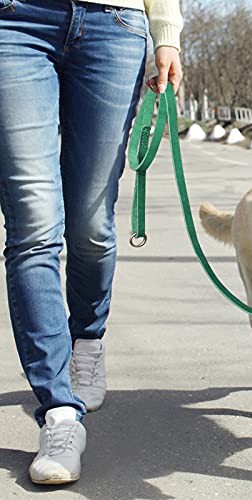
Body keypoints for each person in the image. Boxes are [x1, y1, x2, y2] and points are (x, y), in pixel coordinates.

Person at [0, 0, 183, 484]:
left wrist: (166, 31)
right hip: (13, 20)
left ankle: (87, 338)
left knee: (90, 223)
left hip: (115, 23)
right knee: (34, 226)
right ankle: (60, 413)